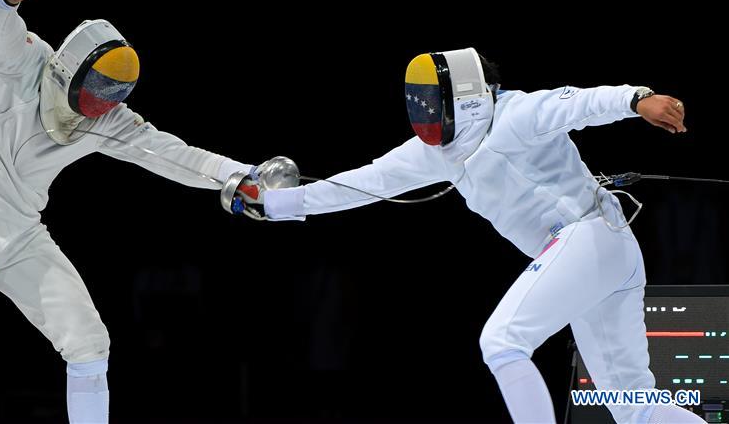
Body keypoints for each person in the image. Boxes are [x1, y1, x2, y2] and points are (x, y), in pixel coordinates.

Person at [229, 47, 702, 423]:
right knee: (635, 408)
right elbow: (361, 184)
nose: (422, 112)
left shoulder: (517, 113)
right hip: (599, 257)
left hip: (591, 237)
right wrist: (271, 204)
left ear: (467, 94)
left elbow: (579, 102)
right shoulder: (436, 153)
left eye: (430, 101)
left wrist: (637, 99)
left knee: (502, 341)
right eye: (417, 102)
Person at [0, 0, 252, 424]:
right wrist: (4, 1)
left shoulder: (105, 121)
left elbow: (175, 154)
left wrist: (240, 175)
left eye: (113, 96)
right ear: (70, 70)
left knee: (89, 343)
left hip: (17, 236)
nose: (101, 106)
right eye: (97, 91)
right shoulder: (25, 61)